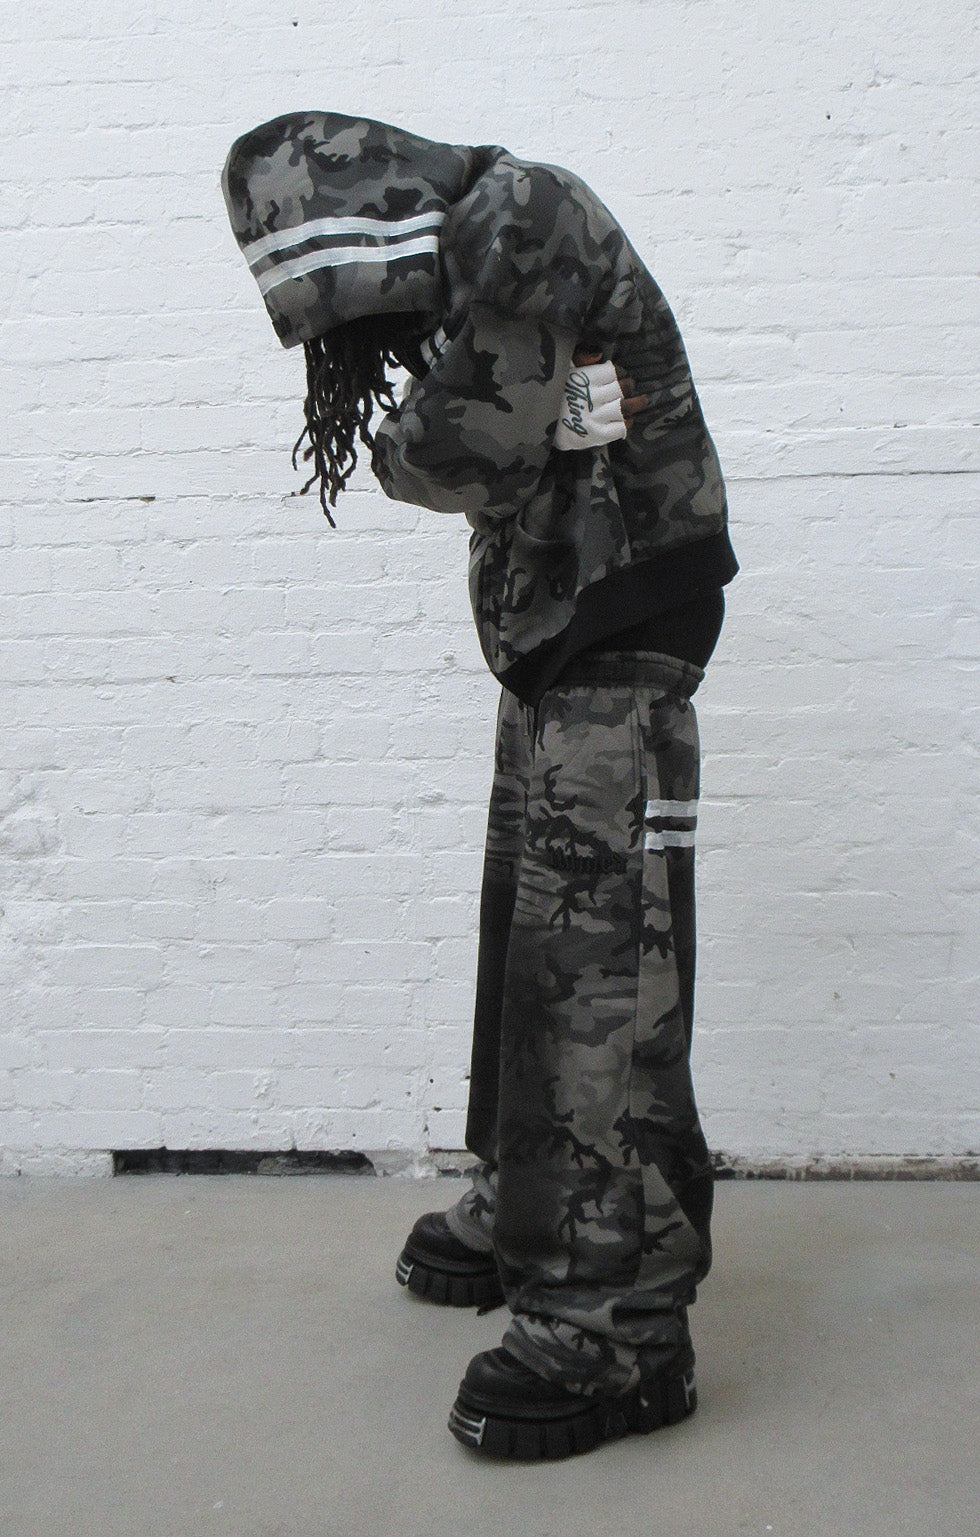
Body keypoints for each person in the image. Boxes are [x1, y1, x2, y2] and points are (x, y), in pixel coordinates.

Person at [222, 112, 738, 1460]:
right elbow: (498, 426)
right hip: (567, 628)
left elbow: (464, 444)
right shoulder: (487, 241)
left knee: (600, 978)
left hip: (623, 623)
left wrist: (414, 442)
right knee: (532, 944)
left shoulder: (521, 218)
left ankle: (619, 1329)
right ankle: (528, 1205)